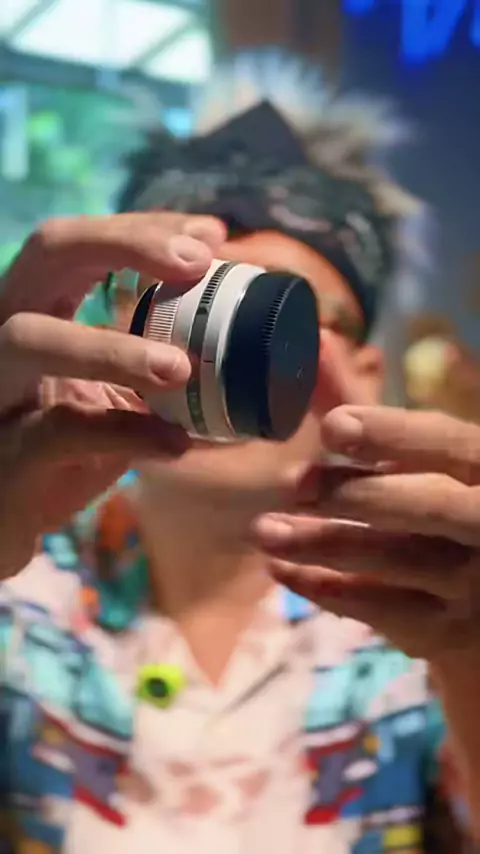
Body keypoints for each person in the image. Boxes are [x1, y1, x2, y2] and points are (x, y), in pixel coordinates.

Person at [1, 54, 479, 854]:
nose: (209, 355)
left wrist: (470, 661)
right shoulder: (21, 592)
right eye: (180, 306)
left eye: (274, 316)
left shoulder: (426, 613)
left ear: (367, 372)